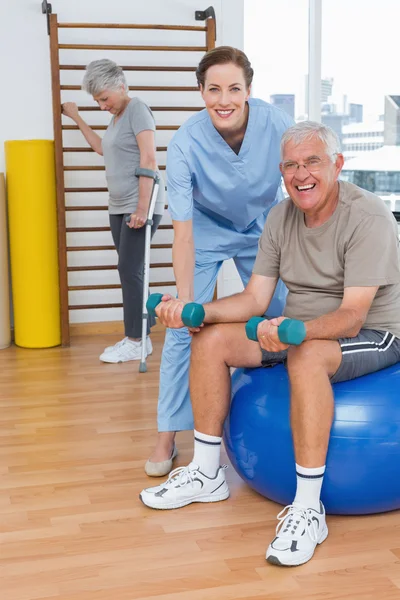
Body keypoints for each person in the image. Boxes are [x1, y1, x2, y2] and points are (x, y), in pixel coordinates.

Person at [140, 121, 400, 567]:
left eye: (313, 162)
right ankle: (207, 471)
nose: (302, 174)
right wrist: (191, 309)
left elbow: (353, 315)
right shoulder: (280, 217)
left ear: (337, 164)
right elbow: (254, 298)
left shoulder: (367, 214)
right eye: (291, 165)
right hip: (298, 328)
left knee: (306, 356)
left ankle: (307, 508)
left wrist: (288, 331)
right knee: (211, 340)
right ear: (282, 172)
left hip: (375, 334)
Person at [146, 46, 293, 476]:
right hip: (206, 230)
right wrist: (188, 304)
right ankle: (167, 436)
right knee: (181, 328)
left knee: (282, 310)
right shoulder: (186, 143)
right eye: (213, 89)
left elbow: (301, 184)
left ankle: (286, 405)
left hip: (262, 224)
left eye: (233, 88)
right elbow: (184, 233)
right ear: (201, 91)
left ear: (249, 91)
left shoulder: (276, 124)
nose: (223, 99)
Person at [62, 59, 164, 363]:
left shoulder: (137, 109)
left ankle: (136, 339)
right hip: (119, 206)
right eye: (97, 101)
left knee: (128, 270)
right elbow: (102, 148)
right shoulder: (116, 118)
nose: (102, 106)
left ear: (121, 86)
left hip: (139, 205)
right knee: (132, 271)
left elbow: (149, 158)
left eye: (105, 99)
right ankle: (140, 334)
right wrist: (77, 117)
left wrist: (142, 208)